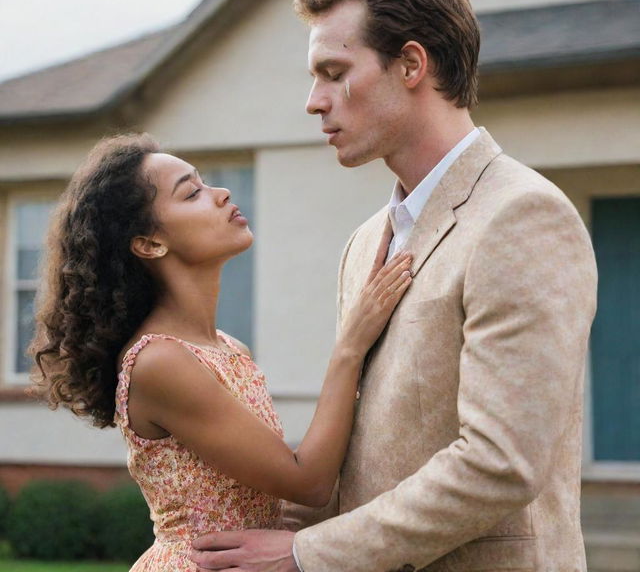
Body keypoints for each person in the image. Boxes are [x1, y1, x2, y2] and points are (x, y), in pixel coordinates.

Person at [190, 0, 598, 572]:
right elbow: (359, 457)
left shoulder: (522, 216)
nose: (313, 102)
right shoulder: (363, 244)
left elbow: (499, 463)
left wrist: (306, 554)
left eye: (334, 72)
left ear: (411, 64)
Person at [30, 133, 413, 571]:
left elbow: (280, 487)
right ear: (151, 243)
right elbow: (307, 482)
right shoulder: (161, 362)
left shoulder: (229, 347)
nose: (222, 193)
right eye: (192, 193)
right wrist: (349, 347)